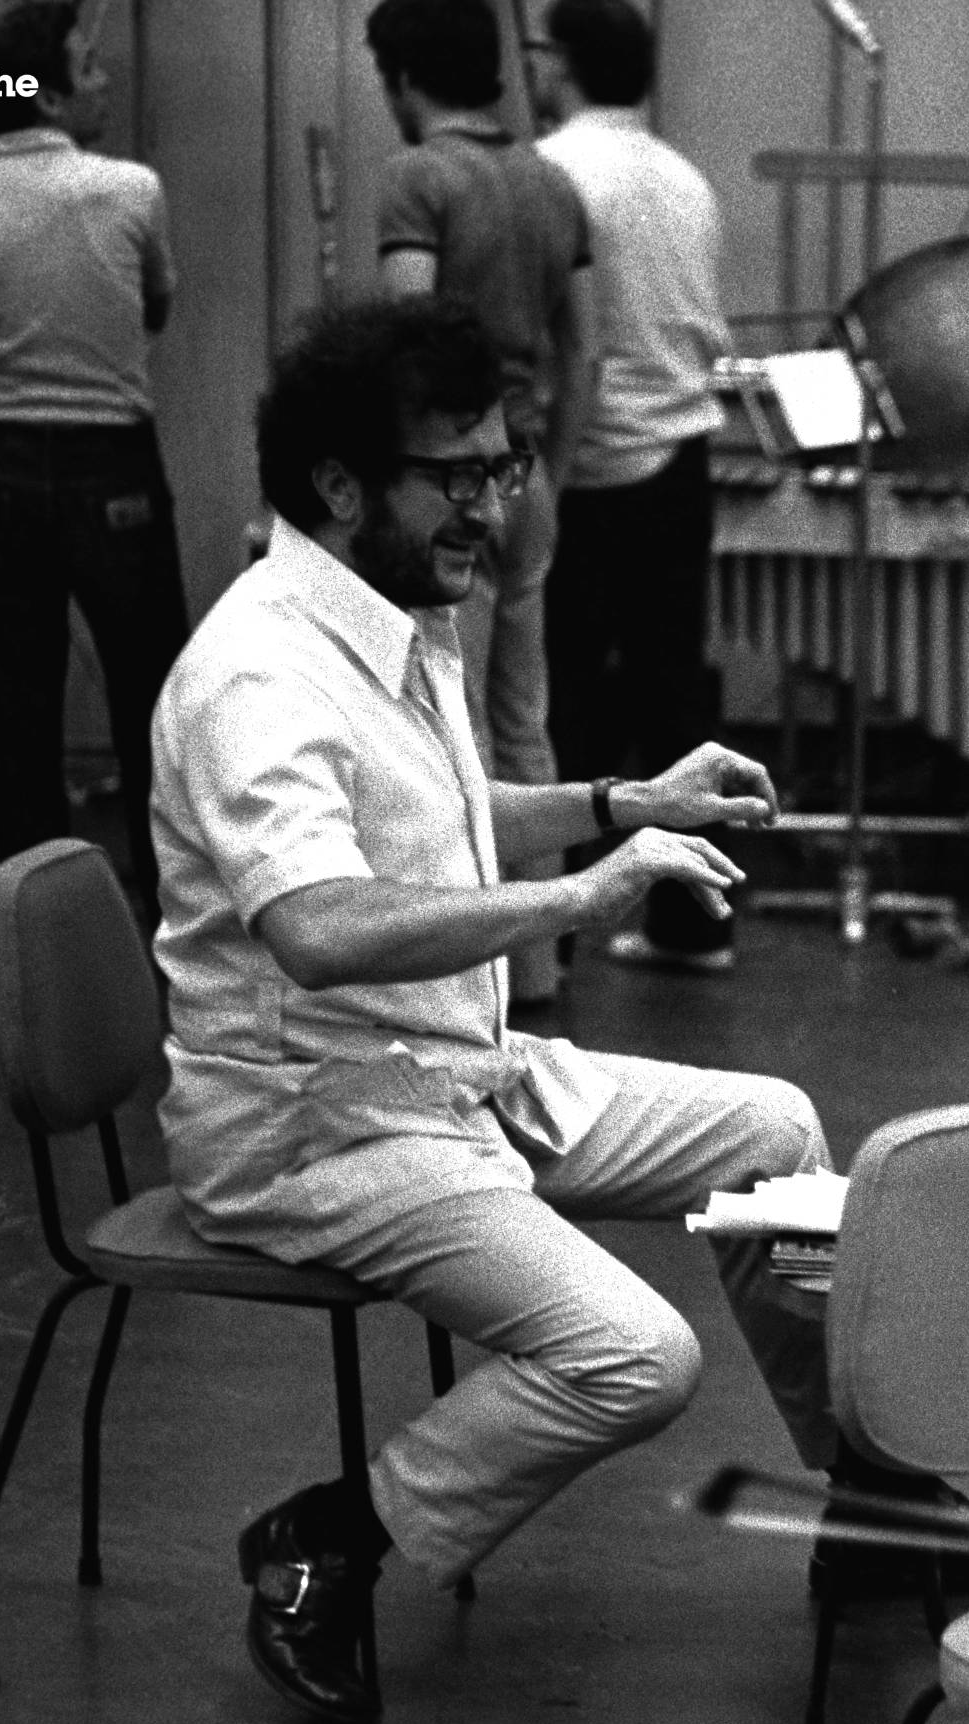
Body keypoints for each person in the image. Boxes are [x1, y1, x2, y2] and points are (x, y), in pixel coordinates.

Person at [149, 298, 828, 1724]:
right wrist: (588, 898)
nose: (492, 507)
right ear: (339, 484)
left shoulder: (394, 614)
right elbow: (320, 927)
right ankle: (337, 1535)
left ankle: (872, 1501)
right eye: (455, 475)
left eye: (504, 466)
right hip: (314, 1126)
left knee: (778, 1133)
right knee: (636, 1357)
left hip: (449, 1069)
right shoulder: (254, 672)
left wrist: (613, 804)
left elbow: (437, 821)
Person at [0, 0, 186, 895]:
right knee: (152, 689)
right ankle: (170, 896)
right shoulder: (131, 190)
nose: (103, 80)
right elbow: (156, 307)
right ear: (54, 99)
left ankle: (42, 919)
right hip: (115, 466)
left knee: (18, 708)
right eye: (90, 65)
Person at [367, 0, 596, 1005]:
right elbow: (583, 344)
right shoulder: (549, 180)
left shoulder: (419, 179)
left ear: (406, 78)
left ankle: (476, 965)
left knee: (450, 729)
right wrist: (556, 462)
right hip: (531, 468)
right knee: (523, 718)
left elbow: (403, 333)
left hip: (446, 484)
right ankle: (537, 962)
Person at [529, 0, 737, 970]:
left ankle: (552, 933)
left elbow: (562, 338)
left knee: (562, 697)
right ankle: (696, 922)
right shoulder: (685, 178)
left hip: (591, 462)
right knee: (674, 694)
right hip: (682, 458)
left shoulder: (554, 173)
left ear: (562, 64)